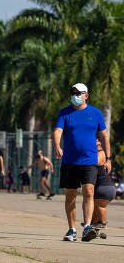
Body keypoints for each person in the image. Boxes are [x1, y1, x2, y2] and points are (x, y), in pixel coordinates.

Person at [53, 83, 110, 242]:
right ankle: (72, 230)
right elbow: (58, 131)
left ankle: (87, 228)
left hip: (89, 161)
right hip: (70, 161)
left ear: (86, 95)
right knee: (70, 196)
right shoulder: (65, 112)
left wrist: (109, 158)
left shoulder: (95, 113)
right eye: (73, 92)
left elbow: (104, 136)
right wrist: (57, 145)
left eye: (78, 93)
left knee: (89, 193)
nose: (75, 95)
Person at [92, 141, 114, 230]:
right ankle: (94, 224)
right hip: (103, 187)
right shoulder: (98, 153)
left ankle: (103, 223)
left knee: (100, 206)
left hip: (104, 187)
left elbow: (94, 163)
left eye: (97, 144)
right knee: (95, 207)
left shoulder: (101, 154)